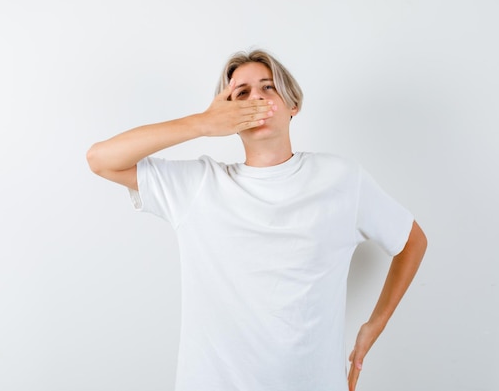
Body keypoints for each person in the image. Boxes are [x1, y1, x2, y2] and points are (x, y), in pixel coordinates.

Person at [86, 49, 427, 391]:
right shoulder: (199, 186)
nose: (256, 100)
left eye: (268, 87)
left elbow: (411, 241)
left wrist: (374, 325)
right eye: (241, 94)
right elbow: (101, 159)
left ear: (293, 105)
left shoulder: (342, 180)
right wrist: (202, 123)